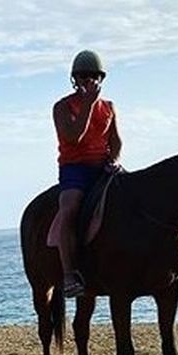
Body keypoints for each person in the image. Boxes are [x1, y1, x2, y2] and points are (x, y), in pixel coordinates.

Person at [51, 49, 122, 299]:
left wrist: (113, 160)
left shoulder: (109, 107)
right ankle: (69, 274)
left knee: (136, 198)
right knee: (69, 208)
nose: (88, 80)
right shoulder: (62, 107)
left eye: (93, 76)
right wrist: (89, 104)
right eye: (83, 76)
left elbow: (116, 141)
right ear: (75, 79)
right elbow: (73, 136)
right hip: (74, 168)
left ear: (101, 78)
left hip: (102, 166)